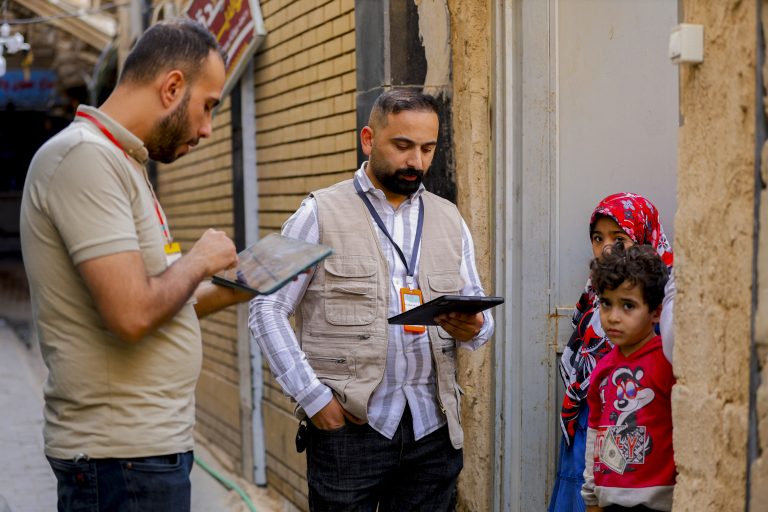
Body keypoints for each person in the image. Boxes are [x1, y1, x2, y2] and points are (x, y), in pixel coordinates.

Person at [20, 18, 253, 511]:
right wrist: (199, 260)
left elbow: (159, 300)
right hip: (119, 460)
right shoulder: (83, 159)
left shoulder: (122, 162)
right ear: (172, 86)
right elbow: (131, 314)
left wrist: (242, 285)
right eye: (208, 106)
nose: (208, 129)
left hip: (143, 454)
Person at [249, 88, 495, 511]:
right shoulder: (317, 212)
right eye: (402, 146)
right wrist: (313, 398)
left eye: (427, 148)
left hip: (432, 433)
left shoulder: (450, 217)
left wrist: (475, 327)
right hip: (350, 429)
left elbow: (480, 319)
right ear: (368, 139)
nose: (416, 161)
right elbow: (265, 306)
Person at [550, 193, 674, 512]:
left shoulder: (664, 333)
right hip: (595, 431)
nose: (606, 248)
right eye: (597, 237)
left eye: (619, 238)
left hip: (647, 475)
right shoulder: (593, 298)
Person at [581, 243, 676, 512]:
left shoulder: (666, 363)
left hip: (659, 503)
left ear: (656, 312)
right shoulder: (603, 370)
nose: (613, 317)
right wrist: (591, 496)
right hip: (610, 502)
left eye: (628, 306)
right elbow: (595, 436)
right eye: (606, 304)